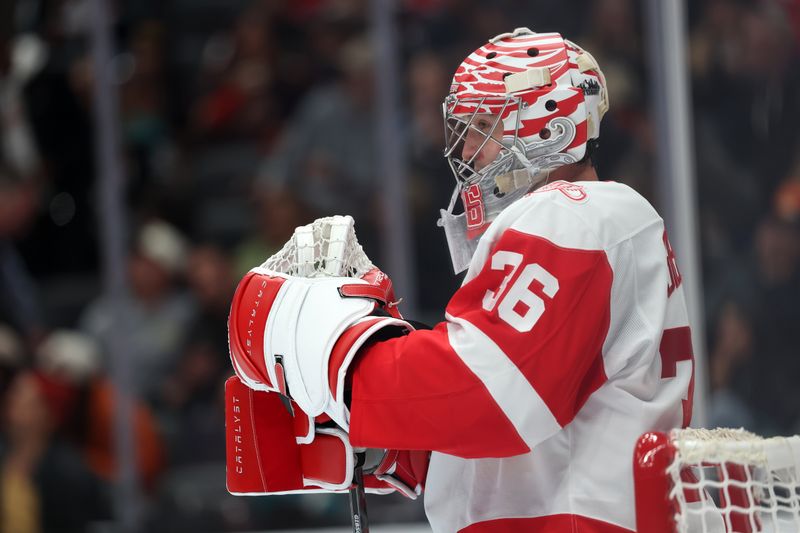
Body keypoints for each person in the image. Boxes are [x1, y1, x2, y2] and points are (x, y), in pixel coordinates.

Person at [227, 28, 697, 532]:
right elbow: (535, 413)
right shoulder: (593, 222)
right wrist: (403, 446)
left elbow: (487, 398)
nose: (467, 146)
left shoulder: (572, 217)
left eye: (486, 125)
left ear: (552, 130)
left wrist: (340, 355)